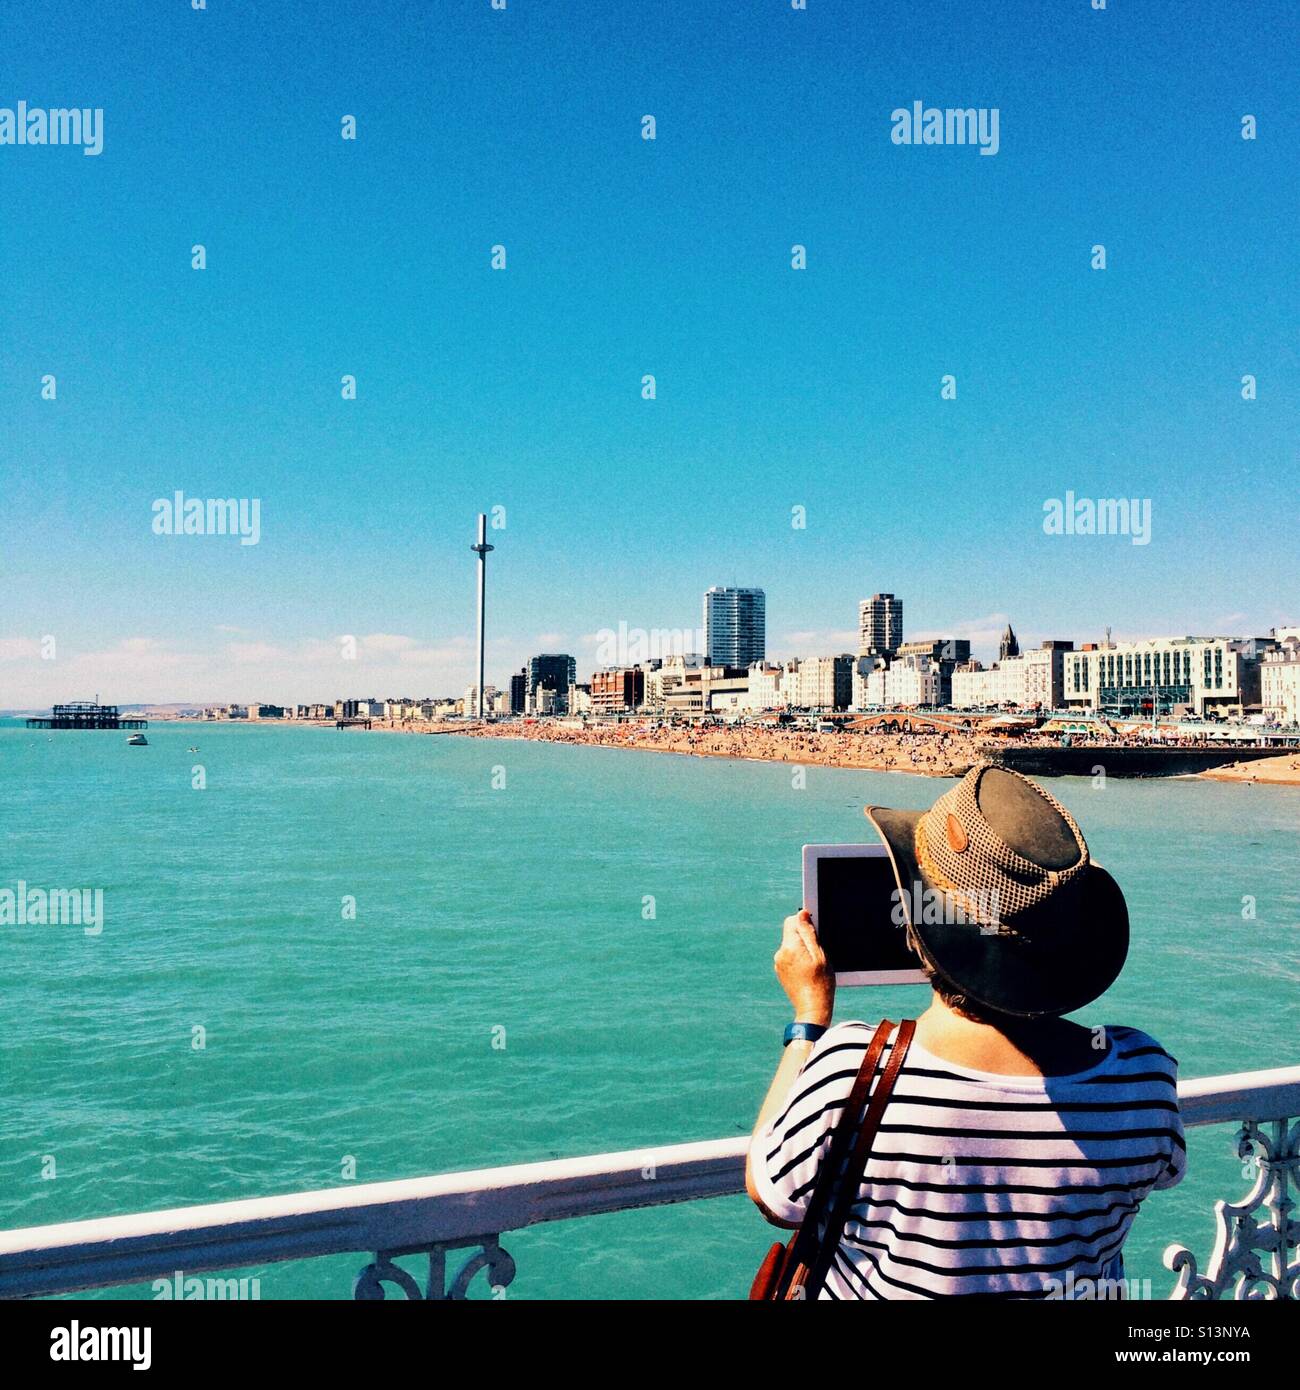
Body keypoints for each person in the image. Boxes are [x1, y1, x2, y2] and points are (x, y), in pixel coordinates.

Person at [746, 763, 1185, 1299]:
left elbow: (772, 1195)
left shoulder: (855, 1069)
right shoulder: (1143, 1074)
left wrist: (808, 1021)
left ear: (915, 929)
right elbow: (1158, 1173)